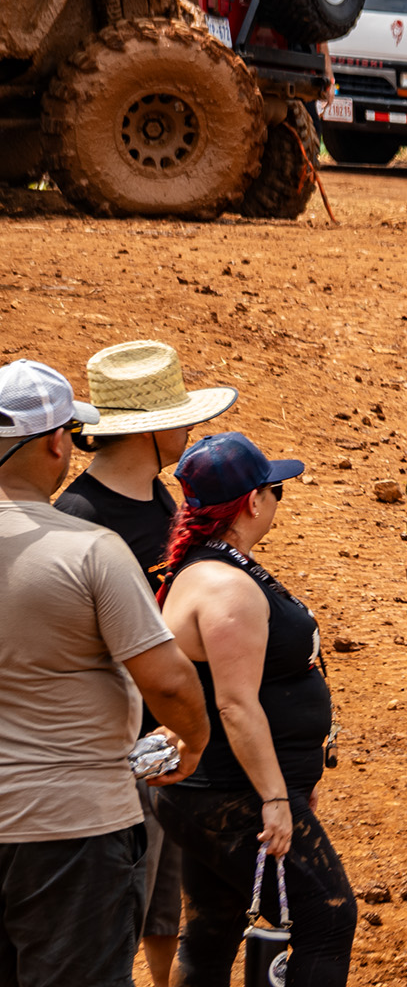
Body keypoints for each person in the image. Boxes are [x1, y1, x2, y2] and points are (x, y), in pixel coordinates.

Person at [0, 359, 209, 987]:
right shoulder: (88, 548)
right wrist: (193, 737)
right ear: (57, 443)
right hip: (70, 825)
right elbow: (168, 681)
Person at [54, 341, 235, 987]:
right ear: (151, 430)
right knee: (115, 908)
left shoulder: (159, 500)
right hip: (114, 754)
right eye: (182, 419)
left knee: (162, 898)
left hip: (163, 741)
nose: (189, 432)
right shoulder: (81, 520)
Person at [154, 432, 355, 987]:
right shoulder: (227, 588)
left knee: (212, 929)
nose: (276, 499)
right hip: (232, 793)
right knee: (327, 917)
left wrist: (292, 779)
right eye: (275, 490)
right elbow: (236, 705)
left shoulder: (207, 568)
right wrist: (274, 797)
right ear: (251, 501)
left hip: (211, 791)